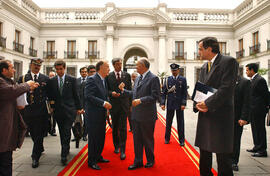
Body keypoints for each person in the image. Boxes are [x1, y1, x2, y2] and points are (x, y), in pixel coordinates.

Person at [194, 37, 238, 176]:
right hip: (205, 116)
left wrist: (207, 104)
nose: (198, 52)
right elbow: (201, 88)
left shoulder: (228, 62)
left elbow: (226, 89)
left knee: (223, 158)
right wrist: (197, 104)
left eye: (200, 49)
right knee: (204, 156)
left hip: (220, 117)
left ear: (209, 49)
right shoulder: (203, 66)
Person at [119, 57, 161, 170]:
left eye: (137, 65)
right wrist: (124, 91)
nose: (136, 67)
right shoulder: (138, 78)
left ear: (143, 66)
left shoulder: (154, 78)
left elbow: (155, 96)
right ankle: (138, 161)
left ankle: (150, 160)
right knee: (136, 140)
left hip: (147, 115)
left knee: (147, 139)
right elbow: (134, 93)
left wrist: (141, 100)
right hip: (136, 115)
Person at [0, 60, 38, 176]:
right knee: (5, 162)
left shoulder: (6, 81)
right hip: (3, 129)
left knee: (6, 159)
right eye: (12, 67)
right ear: (4, 70)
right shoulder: (1, 82)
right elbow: (11, 91)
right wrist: (27, 85)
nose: (14, 69)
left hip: (7, 127)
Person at [47, 60, 82, 165]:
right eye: (57, 69)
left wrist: (79, 108)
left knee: (66, 130)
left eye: (61, 69)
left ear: (64, 68)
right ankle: (65, 148)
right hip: (58, 111)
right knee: (62, 132)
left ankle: (64, 154)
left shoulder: (72, 80)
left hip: (69, 110)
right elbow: (50, 96)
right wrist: (52, 107)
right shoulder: (52, 81)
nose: (59, 71)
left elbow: (76, 95)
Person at [18, 58, 50, 168]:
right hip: (28, 110)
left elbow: (49, 94)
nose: (37, 67)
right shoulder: (23, 78)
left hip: (41, 111)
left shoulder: (45, 78)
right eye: (35, 65)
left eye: (39, 65)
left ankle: (35, 156)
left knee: (39, 132)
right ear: (31, 65)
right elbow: (18, 93)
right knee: (32, 132)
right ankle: (39, 147)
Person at [84, 60, 111, 170]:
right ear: (101, 68)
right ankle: (91, 161)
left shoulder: (103, 79)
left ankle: (98, 156)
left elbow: (104, 94)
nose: (109, 69)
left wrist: (106, 104)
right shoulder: (92, 79)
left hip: (101, 113)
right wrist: (104, 103)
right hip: (93, 114)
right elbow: (88, 96)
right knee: (94, 138)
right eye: (107, 67)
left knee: (101, 136)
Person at [106, 58, 132, 160]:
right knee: (115, 127)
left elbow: (130, 90)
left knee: (123, 127)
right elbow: (106, 90)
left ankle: (123, 149)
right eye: (117, 64)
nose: (119, 66)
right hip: (114, 105)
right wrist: (111, 93)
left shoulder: (127, 75)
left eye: (120, 64)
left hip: (124, 105)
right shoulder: (109, 76)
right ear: (113, 65)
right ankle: (116, 146)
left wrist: (130, 105)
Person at [161, 63, 187, 146]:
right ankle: (167, 138)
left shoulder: (182, 79)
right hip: (170, 103)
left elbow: (184, 93)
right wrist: (162, 103)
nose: (174, 72)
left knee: (180, 122)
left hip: (179, 104)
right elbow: (164, 93)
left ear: (178, 70)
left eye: (175, 70)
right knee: (168, 122)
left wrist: (183, 103)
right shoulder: (168, 79)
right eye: (172, 71)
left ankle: (181, 140)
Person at [246, 63, 268, 157]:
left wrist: (266, 107)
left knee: (260, 129)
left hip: (259, 109)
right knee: (255, 128)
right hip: (253, 109)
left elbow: (266, 95)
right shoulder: (253, 80)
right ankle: (256, 146)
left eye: (247, 70)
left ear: (252, 70)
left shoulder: (260, 80)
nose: (246, 72)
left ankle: (262, 150)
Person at [231, 74, 250, 171]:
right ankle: (225, 160)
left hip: (237, 117)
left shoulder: (244, 82)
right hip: (223, 117)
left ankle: (234, 161)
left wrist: (244, 117)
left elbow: (247, 102)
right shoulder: (222, 80)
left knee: (235, 139)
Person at [71, 67, 88, 142]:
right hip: (77, 104)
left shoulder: (90, 81)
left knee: (86, 121)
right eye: (82, 72)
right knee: (76, 121)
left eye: (85, 72)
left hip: (86, 104)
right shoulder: (76, 81)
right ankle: (76, 135)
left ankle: (84, 135)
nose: (84, 73)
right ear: (80, 73)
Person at [48, 71, 57, 136]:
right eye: (50, 76)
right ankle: (47, 130)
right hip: (47, 102)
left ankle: (53, 130)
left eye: (53, 76)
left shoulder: (56, 83)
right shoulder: (47, 83)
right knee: (47, 117)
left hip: (55, 103)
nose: (51, 77)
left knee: (54, 118)